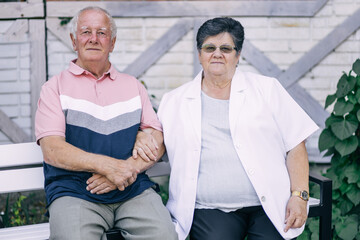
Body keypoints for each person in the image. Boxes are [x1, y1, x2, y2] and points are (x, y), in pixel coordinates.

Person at [157, 17, 319, 240]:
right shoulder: (174, 101)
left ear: (238, 55)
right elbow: (153, 143)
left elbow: (295, 144)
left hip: (269, 205)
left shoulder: (267, 89)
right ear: (199, 54)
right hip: (209, 208)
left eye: (226, 48)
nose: (217, 54)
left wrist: (300, 196)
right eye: (209, 48)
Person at [35, 6, 177, 240]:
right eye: (85, 32)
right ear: (74, 40)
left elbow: (157, 139)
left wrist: (127, 169)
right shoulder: (54, 88)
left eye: (101, 32)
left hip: (132, 191)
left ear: (112, 43)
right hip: (76, 192)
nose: (93, 38)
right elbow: (52, 150)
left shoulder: (133, 86)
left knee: (165, 236)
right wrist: (109, 168)